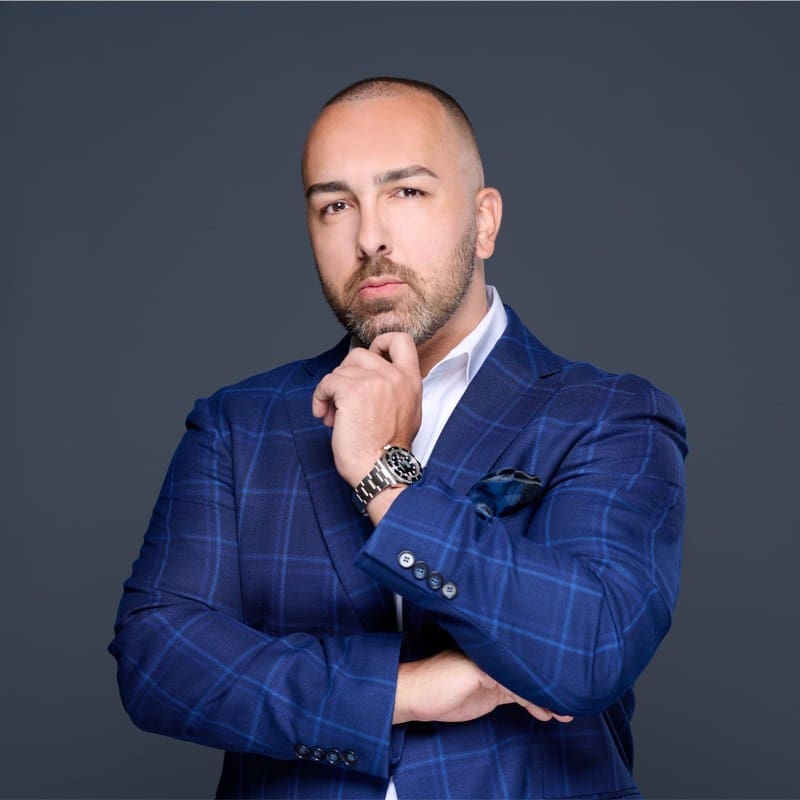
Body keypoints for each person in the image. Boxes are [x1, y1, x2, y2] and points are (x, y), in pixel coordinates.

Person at [110, 77, 687, 800]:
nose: (369, 236)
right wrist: (404, 691)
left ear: (484, 222)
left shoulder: (609, 415)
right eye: (335, 205)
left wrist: (383, 476)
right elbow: (157, 660)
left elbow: (588, 650)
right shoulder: (239, 423)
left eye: (406, 192)